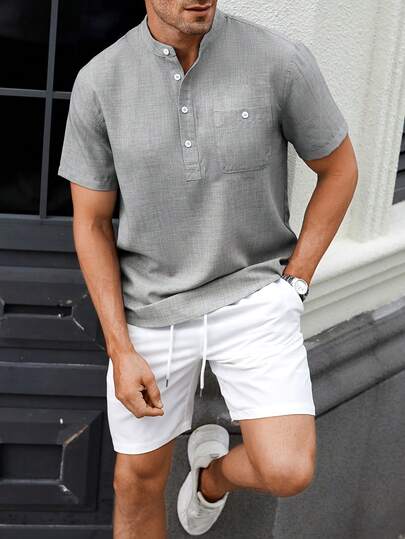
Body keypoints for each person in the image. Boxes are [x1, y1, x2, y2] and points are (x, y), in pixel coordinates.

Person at [58, 1, 358, 537]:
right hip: (150, 311)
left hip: (253, 296)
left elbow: (339, 168)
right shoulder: (100, 81)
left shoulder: (279, 60)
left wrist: (295, 282)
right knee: (136, 483)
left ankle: (212, 477)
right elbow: (92, 223)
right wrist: (120, 349)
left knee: (288, 470)